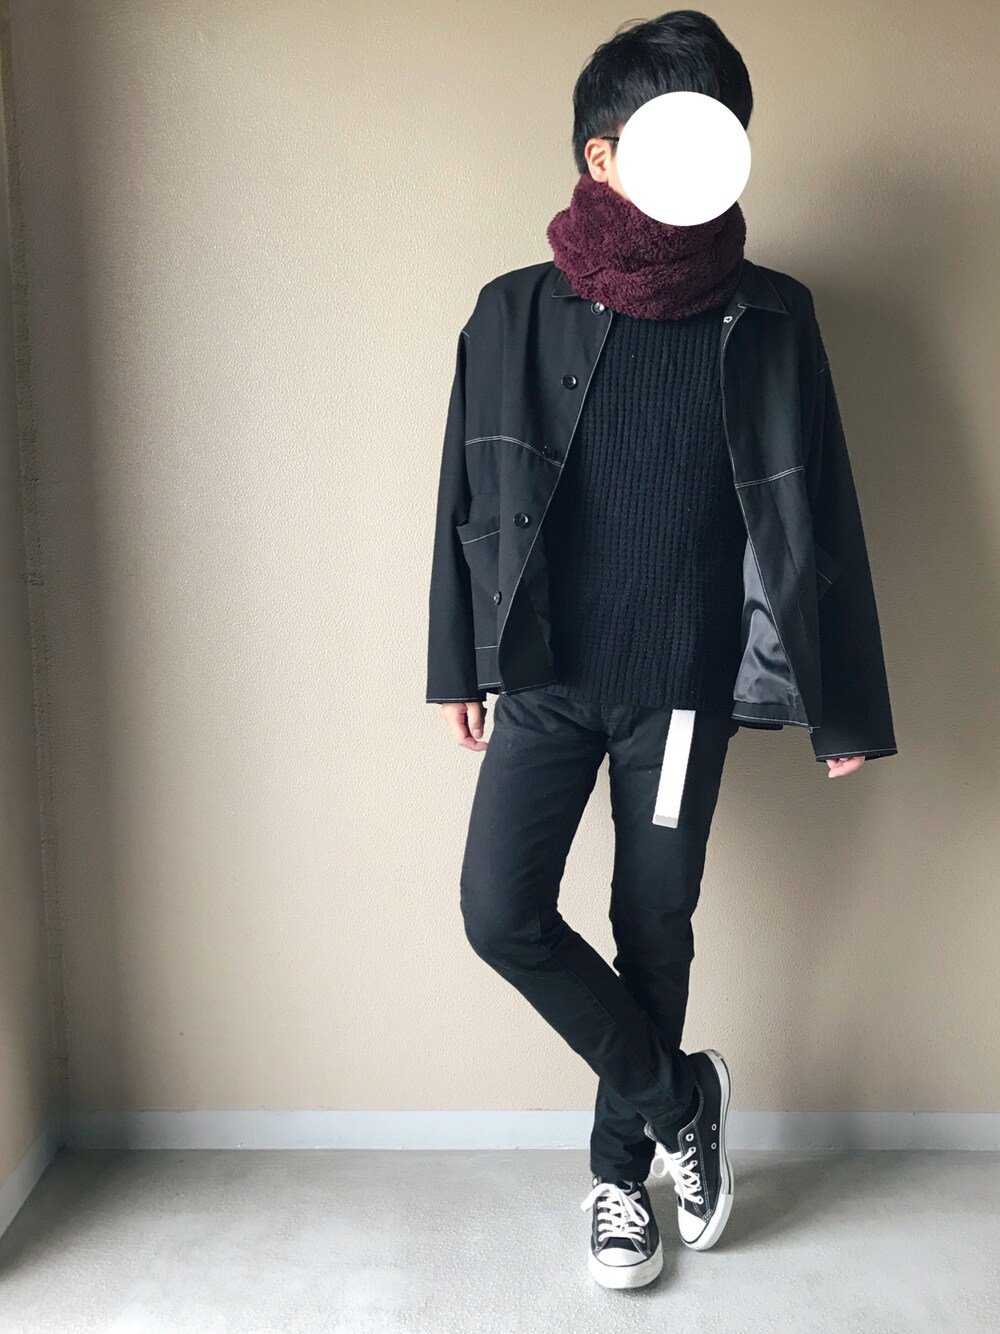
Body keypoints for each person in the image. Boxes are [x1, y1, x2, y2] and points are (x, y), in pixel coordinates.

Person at [425, 9, 897, 1292]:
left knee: (653, 924)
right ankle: (682, 1094)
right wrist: (457, 661)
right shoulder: (511, 312)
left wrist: (844, 704)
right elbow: (465, 495)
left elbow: (817, 512)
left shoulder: (774, 315)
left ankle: (616, 1180)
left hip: (685, 688)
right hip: (547, 677)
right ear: (602, 155)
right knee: (498, 911)